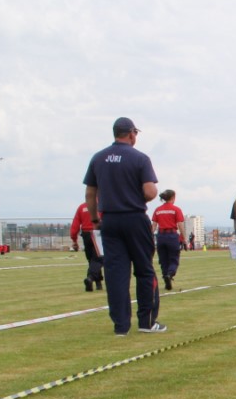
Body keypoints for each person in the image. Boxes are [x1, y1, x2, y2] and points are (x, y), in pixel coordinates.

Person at [83, 116, 164, 335]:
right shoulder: (140, 158)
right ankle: (147, 321)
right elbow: (149, 191)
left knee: (116, 273)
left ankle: (121, 325)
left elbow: (90, 193)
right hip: (134, 217)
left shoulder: (98, 158)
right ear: (131, 133)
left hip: (109, 219)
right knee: (144, 270)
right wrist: (141, 196)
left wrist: (95, 219)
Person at [151, 189, 185, 290]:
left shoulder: (158, 210)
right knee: (174, 258)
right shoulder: (176, 209)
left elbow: (153, 226)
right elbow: (180, 224)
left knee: (163, 259)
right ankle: (170, 274)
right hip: (172, 236)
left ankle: (165, 275)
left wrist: (150, 237)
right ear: (173, 198)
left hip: (161, 236)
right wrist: (184, 237)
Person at [69, 200, 104, 292]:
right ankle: (90, 278)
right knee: (98, 259)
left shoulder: (82, 207)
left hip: (86, 235)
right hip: (98, 233)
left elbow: (75, 225)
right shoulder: (102, 205)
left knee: (92, 260)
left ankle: (98, 284)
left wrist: (74, 240)